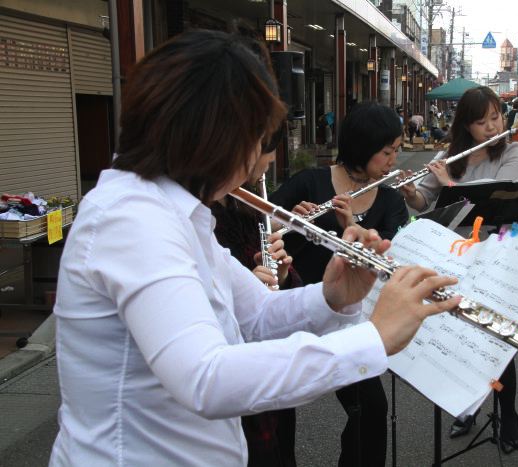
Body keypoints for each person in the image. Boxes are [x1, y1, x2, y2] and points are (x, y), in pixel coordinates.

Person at [48, 30, 462, 466]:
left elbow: (255, 315)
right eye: (257, 138)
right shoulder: (132, 220)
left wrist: (332, 296)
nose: (256, 161)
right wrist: (372, 338)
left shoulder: (177, 214)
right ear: (214, 136)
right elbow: (206, 378)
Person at [270, 102, 408, 467]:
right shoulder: (309, 182)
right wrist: (285, 222)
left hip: (350, 319)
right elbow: (263, 229)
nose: (393, 159)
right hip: (293, 310)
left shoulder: (391, 199)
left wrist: (352, 226)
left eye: (396, 150)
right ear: (362, 148)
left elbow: (390, 255)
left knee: (372, 408)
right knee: (277, 412)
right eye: (386, 151)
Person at [398, 86, 518, 453]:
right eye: (481, 121)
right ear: (466, 126)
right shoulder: (449, 156)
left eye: (495, 118)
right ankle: (467, 405)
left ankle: (508, 411)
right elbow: (426, 203)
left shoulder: (513, 150)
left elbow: (501, 191)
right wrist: (413, 194)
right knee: (462, 337)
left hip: (498, 252)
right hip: (457, 256)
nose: (491, 127)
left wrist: (450, 184)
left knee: (498, 337)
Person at [211, 134, 300, 466]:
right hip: (238, 372)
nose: (270, 164)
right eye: (265, 154)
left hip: (269, 357)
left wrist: (284, 275)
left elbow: (282, 294)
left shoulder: (246, 206)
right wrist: (246, 288)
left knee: (279, 444)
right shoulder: (199, 220)